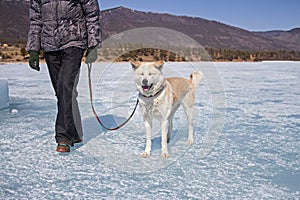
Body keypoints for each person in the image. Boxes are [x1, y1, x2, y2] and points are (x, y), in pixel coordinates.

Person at [27, 0, 102, 153]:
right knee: (62, 93)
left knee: (65, 87)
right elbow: (36, 21)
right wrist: (33, 49)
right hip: (49, 46)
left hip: (74, 42)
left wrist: (93, 44)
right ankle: (74, 133)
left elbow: (92, 14)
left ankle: (63, 137)